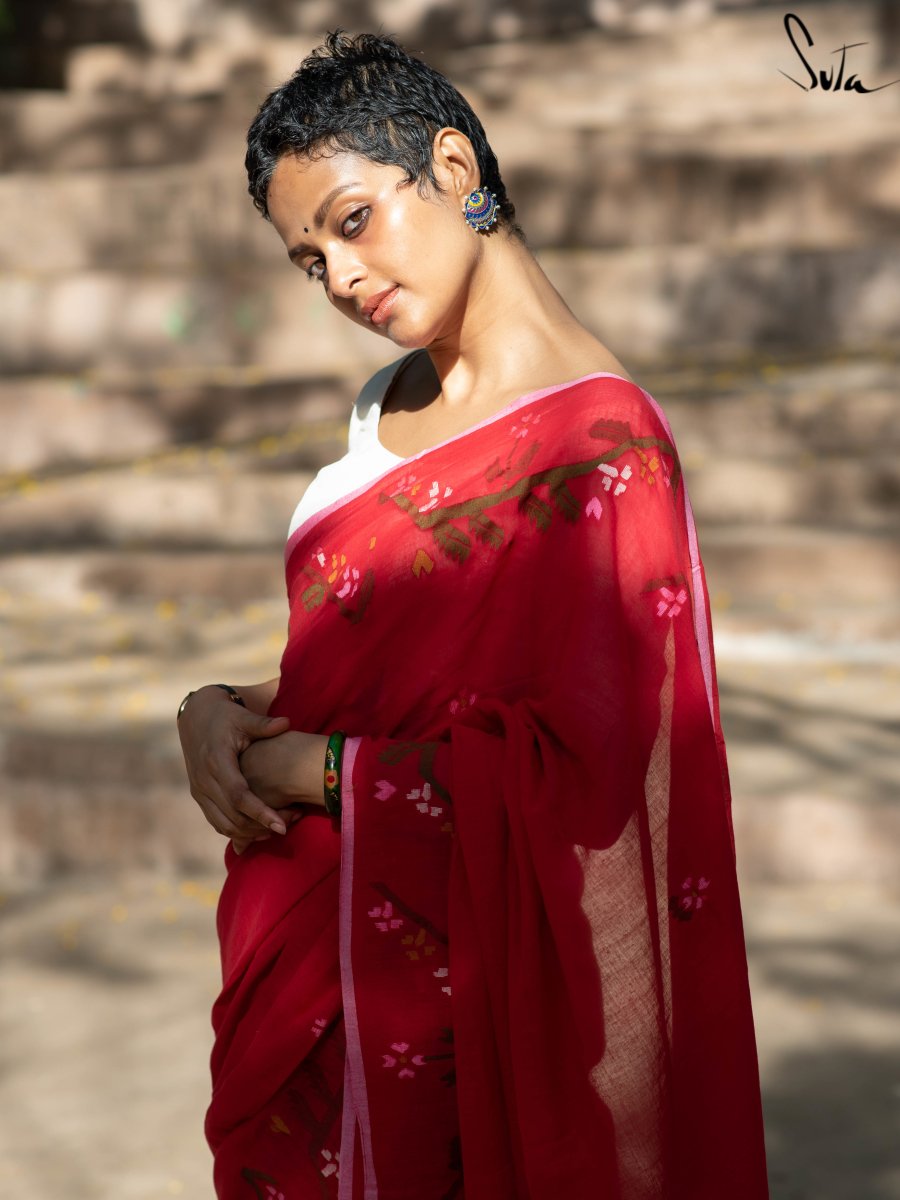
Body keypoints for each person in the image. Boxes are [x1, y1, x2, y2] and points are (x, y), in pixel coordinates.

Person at [176, 28, 770, 1200]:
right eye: (310, 261)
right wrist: (221, 708)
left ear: (452, 167)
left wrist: (321, 773)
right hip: (314, 970)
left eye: (353, 222)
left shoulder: (599, 450)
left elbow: (591, 778)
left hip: (472, 1008)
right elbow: (372, 659)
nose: (341, 279)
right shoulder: (381, 407)